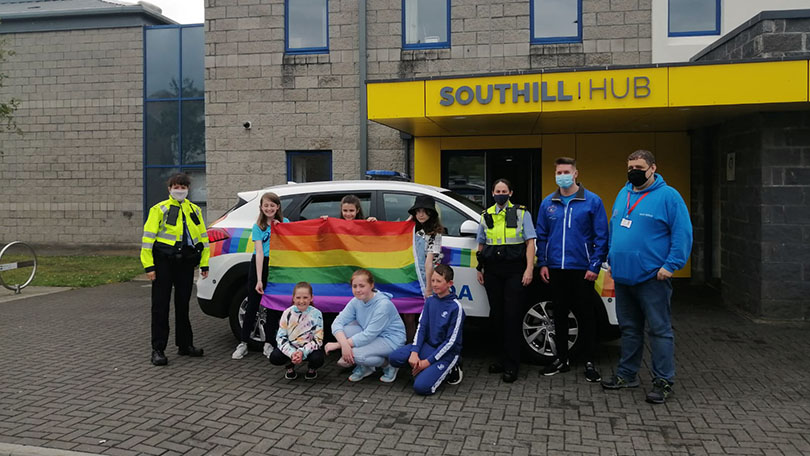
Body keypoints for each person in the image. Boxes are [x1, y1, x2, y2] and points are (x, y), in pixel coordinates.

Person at [601, 150, 692, 404]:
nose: (634, 172)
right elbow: (614, 228)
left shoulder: (669, 196)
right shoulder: (623, 194)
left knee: (660, 331)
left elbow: (682, 233)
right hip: (623, 276)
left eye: (639, 167)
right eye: (630, 167)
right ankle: (627, 375)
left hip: (653, 278)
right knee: (629, 330)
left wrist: (671, 265)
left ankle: (663, 381)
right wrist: (612, 259)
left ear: (653, 168)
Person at [535, 157, 608, 381]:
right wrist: (543, 263)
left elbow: (601, 236)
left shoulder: (592, 201)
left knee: (586, 315)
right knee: (559, 315)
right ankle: (562, 359)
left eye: (566, 172)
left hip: (582, 269)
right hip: (556, 268)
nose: (562, 176)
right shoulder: (548, 203)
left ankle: (588, 361)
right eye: (558, 173)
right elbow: (541, 236)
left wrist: (595, 265)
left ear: (575, 174)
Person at [141, 173, 209, 366]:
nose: (180, 190)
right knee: (160, 306)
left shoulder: (194, 210)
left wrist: (204, 263)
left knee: (183, 305)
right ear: (169, 189)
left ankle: (185, 345)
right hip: (163, 262)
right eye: (176, 187)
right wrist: (149, 266)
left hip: (185, 262)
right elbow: (148, 239)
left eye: (183, 187)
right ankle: (158, 349)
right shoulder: (159, 209)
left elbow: (203, 238)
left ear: (188, 189)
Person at [476, 179, 536, 383]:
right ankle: (501, 360)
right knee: (497, 316)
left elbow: (530, 243)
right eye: (497, 191)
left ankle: (512, 365)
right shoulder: (486, 215)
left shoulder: (521, 213)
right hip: (493, 271)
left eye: (504, 191)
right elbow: (481, 244)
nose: (500, 194)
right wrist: (479, 268)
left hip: (515, 271)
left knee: (512, 316)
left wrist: (529, 269)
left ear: (510, 193)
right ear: (492, 193)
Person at [389, 265, 464, 395]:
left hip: (446, 353)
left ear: (449, 284)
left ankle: (452, 368)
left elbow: (451, 342)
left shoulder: (456, 307)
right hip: (428, 347)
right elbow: (422, 328)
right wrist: (414, 352)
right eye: (432, 280)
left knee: (421, 387)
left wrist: (428, 362)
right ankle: (424, 369)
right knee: (394, 358)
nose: (434, 284)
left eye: (438, 281)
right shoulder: (430, 301)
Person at [232, 192, 289, 360]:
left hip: (277, 266)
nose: (269, 208)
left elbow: (294, 240)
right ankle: (243, 343)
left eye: (272, 205)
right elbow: (258, 252)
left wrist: (281, 229)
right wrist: (258, 279)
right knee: (253, 304)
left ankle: (269, 343)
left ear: (277, 207)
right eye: (266, 205)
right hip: (260, 265)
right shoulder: (258, 226)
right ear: (261, 208)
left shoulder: (285, 223)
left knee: (272, 306)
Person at [325, 269, 406, 383]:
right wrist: (345, 345)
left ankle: (388, 365)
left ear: (371, 285)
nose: (358, 290)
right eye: (354, 286)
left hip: (390, 340)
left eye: (362, 286)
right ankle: (367, 366)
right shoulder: (356, 301)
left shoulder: (383, 305)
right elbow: (337, 322)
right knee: (344, 330)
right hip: (371, 335)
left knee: (356, 356)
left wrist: (339, 345)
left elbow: (369, 335)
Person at [405, 194, 444, 343]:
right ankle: (411, 345)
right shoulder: (410, 229)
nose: (421, 214)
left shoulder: (435, 234)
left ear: (431, 213)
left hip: (425, 278)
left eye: (425, 211)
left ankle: (425, 345)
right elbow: (393, 233)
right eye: (418, 211)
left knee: (426, 316)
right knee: (408, 316)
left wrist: (428, 288)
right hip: (409, 277)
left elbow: (429, 263)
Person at [268, 282, 325, 380]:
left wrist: (302, 352)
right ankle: (289, 367)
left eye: (305, 297)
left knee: (318, 358)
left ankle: (312, 369)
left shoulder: (317, 314)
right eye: (298, 297)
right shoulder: (287, 313)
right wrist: (292, 353)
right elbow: (280, 337)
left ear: (311, 298)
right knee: (275, 357)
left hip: (308, 349)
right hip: (291, 348)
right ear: (293, 298)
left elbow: (318, 340)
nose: (301, 301)